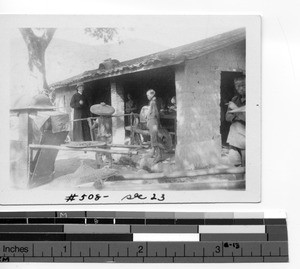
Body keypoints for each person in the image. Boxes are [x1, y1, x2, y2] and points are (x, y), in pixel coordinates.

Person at [226, 76, 246, 166]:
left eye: (242, 85)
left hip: (245, 135)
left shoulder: (254, 99)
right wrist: (238, 116)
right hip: (235, 136)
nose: (239, 88)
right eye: (237, 86)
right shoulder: (235, 99)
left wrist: (236, 109)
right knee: (235, 161)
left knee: (246, 164)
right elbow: (227, 116)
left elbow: (250, 118)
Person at [146, 89, 163, 164]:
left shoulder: (153, 102)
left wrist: (158, 122)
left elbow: (156, 113)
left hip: (153, 121)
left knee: (154, 139)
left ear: (152, 95)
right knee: (153, 138)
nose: (147, 96)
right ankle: (154, 153)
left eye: (148, 95)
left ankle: (159, 155)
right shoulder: (151, 102)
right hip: (151, 121)